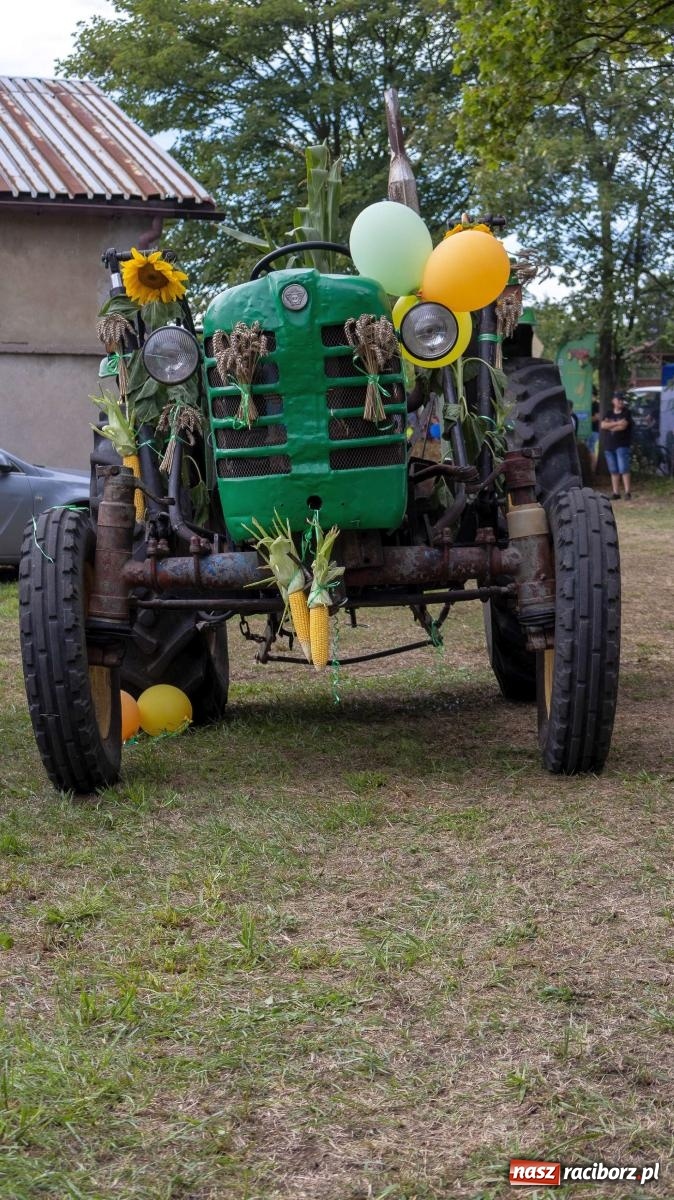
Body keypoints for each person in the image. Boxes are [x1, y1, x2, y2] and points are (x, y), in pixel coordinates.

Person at [601, 393, 633, 500]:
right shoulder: (609, 413)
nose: (621, 402)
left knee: (624, 468)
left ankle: (627, 492)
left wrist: (610, 425)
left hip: (622, 445)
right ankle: (616, 493)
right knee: (613, 470)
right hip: (609, 445)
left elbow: (623, 426)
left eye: (622, 400)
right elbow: (603, 425)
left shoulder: (626, 413)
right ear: (613, 401)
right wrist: (617, 423)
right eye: (619, 399)